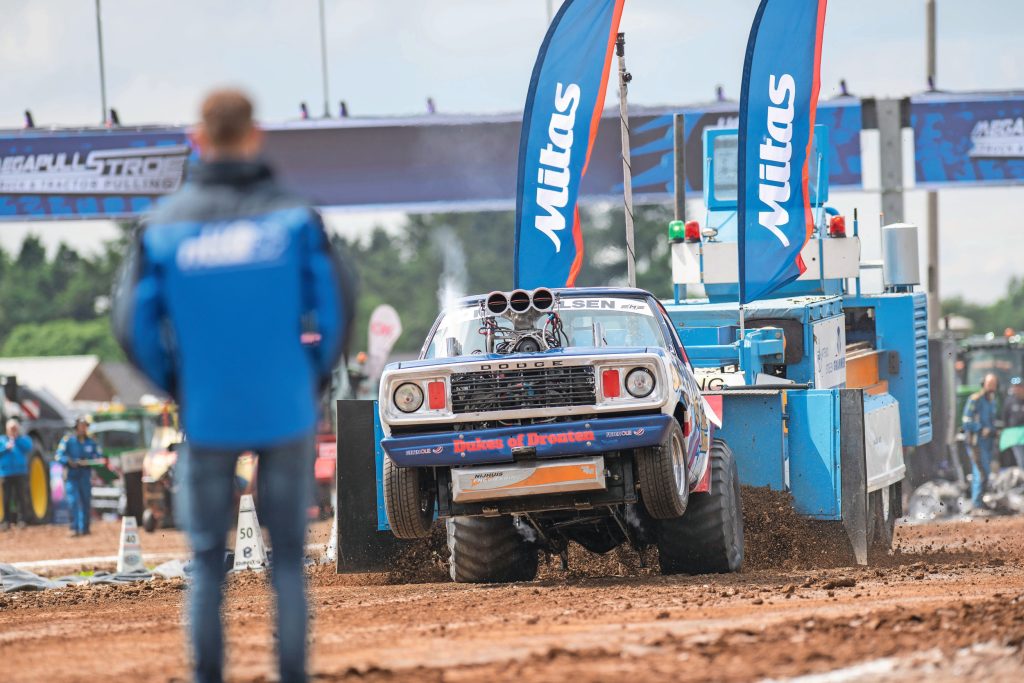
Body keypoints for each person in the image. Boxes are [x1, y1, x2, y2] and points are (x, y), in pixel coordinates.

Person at [112, 88, 353, 683]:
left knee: (204, 561)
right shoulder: (298, 218)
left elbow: (131, 324)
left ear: (198, 137)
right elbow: (338, 309)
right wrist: (310, 377)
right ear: (254, 135)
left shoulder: (161, 228)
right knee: (290, 564)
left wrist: (179, 384)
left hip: (208, 411)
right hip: (286, 407)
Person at [55, 417, 102, 536]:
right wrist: (68, 461)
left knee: (86, 501)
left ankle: (85, 528)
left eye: (85, 426)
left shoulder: (91, 442)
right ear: (76, 427)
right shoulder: (68, 441)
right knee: (73, 501)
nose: (83, 428)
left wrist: (92, 460)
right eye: (81, 426)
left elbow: (97, 456)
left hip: (85, 476)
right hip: (72, 476)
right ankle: (74, 528)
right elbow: (58, 456)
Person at [962, 373, 999, 512]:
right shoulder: (975, 400)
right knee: (980, 472)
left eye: (994, 385)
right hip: (976, 443)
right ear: (983, 384)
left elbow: (992, 421)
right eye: (989, 384)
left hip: (988, 443)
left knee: (987, 472)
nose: (991, 387)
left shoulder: (992, 401)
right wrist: (980, 429)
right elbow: (966, 422)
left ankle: (980, 502)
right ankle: (976, 504)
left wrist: (994, 431)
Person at [0, 419, 33, 529]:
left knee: (21, 497)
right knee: (6, 498)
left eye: (15, 428)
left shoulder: (22, 439)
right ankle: (6, 521)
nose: (13, 430)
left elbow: (29, 447)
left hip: (20, 473)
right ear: (7, 429)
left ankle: (22, 520)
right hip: (6, 473)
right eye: (11, 428)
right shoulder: (2, 440)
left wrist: (17, 439)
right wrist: (6, 448)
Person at [1003, 376, 1024, 469]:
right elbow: (1005, 418)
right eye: (1015, 386)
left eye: (1019, 386)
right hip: (1015, 435)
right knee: (1021, 459)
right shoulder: (1009, 401)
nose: (1017, 389)